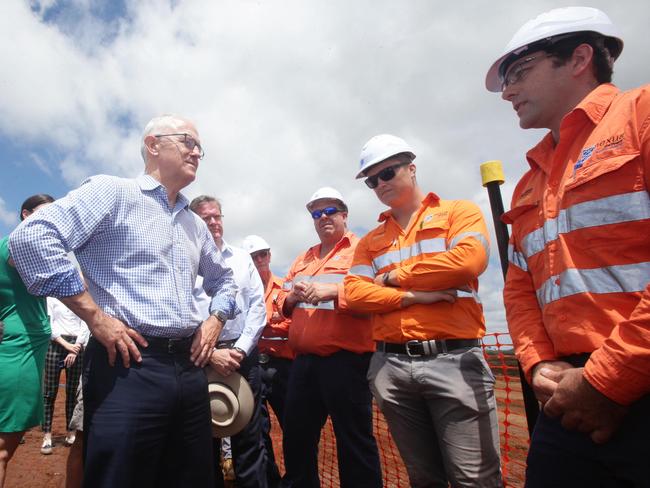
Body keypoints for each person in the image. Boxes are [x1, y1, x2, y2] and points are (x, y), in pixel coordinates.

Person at [9, 114, 238, 488]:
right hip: (128, 366)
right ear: (152, 145)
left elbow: (225, 279)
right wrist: (95, 318)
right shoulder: (112, 192)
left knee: (192, 477)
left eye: (200, 147)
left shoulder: (194, 224)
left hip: (190, 369)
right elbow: (33, 237)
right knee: (120, 476)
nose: (197, 152)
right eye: (187, 142)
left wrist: (215, 319)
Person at [485, 6, 650, 487]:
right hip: (566, 395)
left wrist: (606, 379)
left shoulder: (641, 116)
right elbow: (520, 288)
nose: (508, 92)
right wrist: (538, 363)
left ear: (579, 58)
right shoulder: (528, 181)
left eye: (520, 72)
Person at [344, 134, 502, 488]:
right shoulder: (370, 241)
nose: (380, 184)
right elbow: (354, 294)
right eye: (372, 180)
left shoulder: (459, 212)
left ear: (411, 168)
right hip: (392, 369)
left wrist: (396, 277)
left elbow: (468, 262)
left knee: (474, 480)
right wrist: (413, 297)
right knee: (423, 478)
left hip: (455, 362)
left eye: (387, 173)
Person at [278, 187, 382, 488]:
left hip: (347, 362)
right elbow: (282, 302)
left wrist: (335, 292)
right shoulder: (303, 258)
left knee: (353, 441)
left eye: (329, 211)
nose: (322, 218)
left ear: (344, 215)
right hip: (303, 364)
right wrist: (291, 298)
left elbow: (373, 296)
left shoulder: (362, 250)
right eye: (316, 213)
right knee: (297, 438)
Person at [189, 196, 274, 488]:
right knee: (202, 440)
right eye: (205, 218)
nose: (213, 222)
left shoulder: (241, 259)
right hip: (198, 356)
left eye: (216, 216)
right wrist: (210, 352)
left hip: (242, 355)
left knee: (250, 438)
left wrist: (239, 350)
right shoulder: (184, 260)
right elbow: (180, 311)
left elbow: (257, 308)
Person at [0, 193, 55, 488]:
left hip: (22, 348)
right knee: (2, 450)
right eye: (44, 213)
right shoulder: (18, 243)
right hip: (17, 351)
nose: (50, 219)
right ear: (25, 214)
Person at [241, 234, 294, 480]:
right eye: (254, 256)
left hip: (284, 367)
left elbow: (293, 323)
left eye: (263, 254)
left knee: (294, 426)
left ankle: (297, 479)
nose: (260, 259)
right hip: (253, 368)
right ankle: (271, 481)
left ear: (270, 255)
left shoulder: (286, 287)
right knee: (259, 432)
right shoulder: (243, 292)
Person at [40, 296, 90, 455]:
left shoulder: (79, 297)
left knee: (72, 392)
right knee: (49, 392)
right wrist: (66, 345)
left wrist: (75, 347)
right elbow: (49, 323)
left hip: (76, 346)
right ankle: (47, 435)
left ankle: (71, 432)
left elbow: (85, 322)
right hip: (56, 344)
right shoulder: (51, 298)